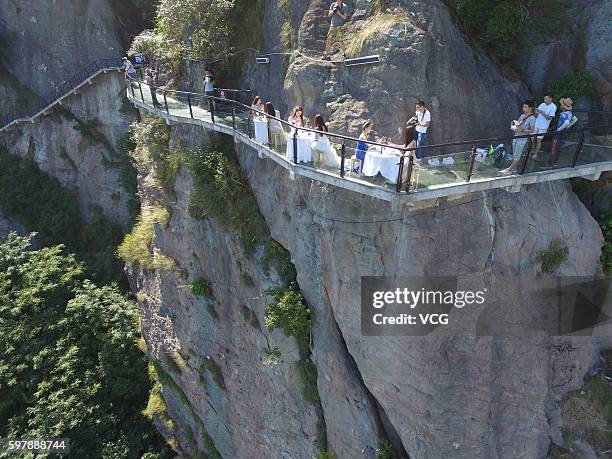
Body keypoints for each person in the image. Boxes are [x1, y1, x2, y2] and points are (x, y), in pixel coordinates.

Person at [500, 100, 537, 175]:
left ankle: (509, 169)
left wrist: (522, 130)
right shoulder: (522, 116)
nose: (524, 108)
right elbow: (518, 124)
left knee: (517, 154)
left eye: (526, 107)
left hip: (522, 139)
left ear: (530, 108)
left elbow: (532, 130)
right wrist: (514, 127)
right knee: (515, 153)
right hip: (516, 136)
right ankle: (514, 168)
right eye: (523, 106)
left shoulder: (532, 118)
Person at [546, 98, 574, 167]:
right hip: (563, 132)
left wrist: (559, 129)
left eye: (561, 105)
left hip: (559, 132)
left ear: (563, 106)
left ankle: (550, 163)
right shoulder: (570, 113)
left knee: (554, 147)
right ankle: (555, 162)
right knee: (558, 147)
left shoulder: (563, 114)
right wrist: (566, 127)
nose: (560, 106)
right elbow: (574, 119)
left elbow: (566, 122)